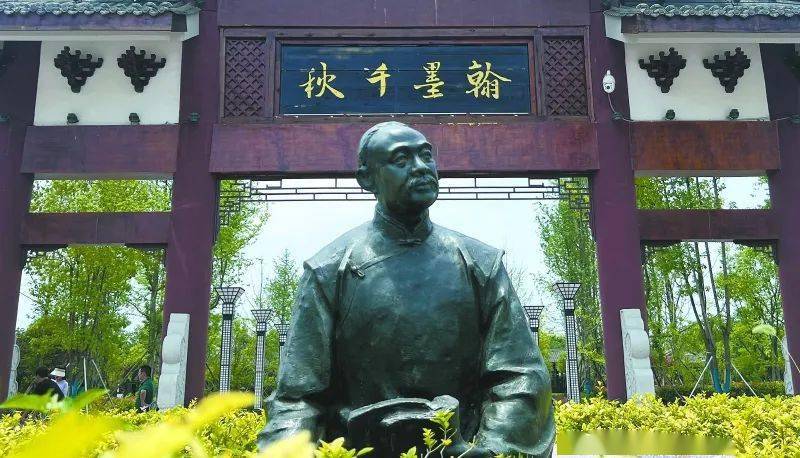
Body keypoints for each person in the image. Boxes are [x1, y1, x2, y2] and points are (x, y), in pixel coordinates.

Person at [260, 122, 554, 456]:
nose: (421, 167)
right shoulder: (328, 270)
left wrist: (492, 448)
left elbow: (520, 376)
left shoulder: (480, 263)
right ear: (367, 179)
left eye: (426, 155)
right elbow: (297, 398)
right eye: (401, 159)